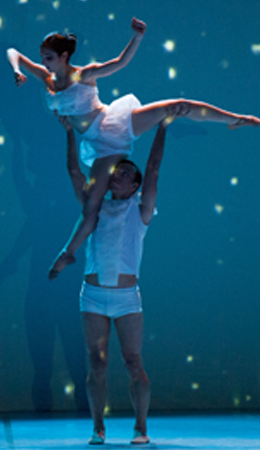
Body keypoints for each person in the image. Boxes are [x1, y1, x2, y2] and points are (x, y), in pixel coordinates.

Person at [6, 17, 260, 279]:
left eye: (49, 58)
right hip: (100, 142)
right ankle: (68, 252)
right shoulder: (47, 78)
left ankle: (234, 119)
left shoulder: (83, 75)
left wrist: (137, 37)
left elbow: (119, 62)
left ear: (64, 56)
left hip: (112, 123)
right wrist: (17, 70)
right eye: (42, 57)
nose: (44, 62)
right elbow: (13, 53)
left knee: (175, 105)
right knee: (91, 204)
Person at [55, 106, 180, 444]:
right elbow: (73, 171)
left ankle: (141, 427)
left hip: (126, 299)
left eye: (124, 173)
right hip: (93, 297)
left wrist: (162, 127)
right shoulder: (94, 207)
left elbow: (153, 169)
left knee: (132, 362)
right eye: (115, 171)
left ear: (135, 184)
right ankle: (98, 427)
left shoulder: (141, 211)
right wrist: (69, 133)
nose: (116, 175)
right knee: (97, 364)